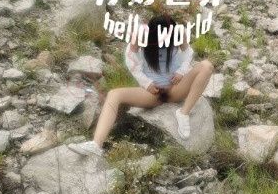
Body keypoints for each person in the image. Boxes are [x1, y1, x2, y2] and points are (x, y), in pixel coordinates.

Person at [68, 15, 214, 157]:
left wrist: (181, 71)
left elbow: (188, 52)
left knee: (206, 66)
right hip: (153, 94)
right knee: (114, 94)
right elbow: (130, 59)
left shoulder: (178, 34)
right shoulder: (140, 35)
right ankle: (96, 144)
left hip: (176, 89)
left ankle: (183, 113)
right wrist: (147, 83)